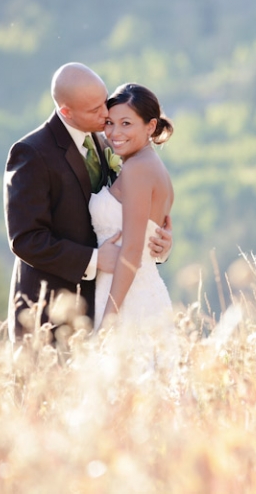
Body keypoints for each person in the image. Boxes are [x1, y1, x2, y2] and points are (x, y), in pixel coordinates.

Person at [3, 63, 172, 343]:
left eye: (104, 102)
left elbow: (127, 214)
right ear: (66, 112)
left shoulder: (107, 142)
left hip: (104, 302)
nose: (106, 114)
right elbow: (25, 240)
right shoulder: (32, 153)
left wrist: (156, 243)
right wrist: (94, 259)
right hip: (48, 314)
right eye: (95, 110)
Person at [89, 83, 175, 333]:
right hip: (137, 291)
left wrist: (107, 323)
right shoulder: (149, 165)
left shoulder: (138, 169)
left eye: (126, 123)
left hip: (126, 301)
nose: (115, 132)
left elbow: (132, 250)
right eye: (109, 123)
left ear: (150, 126)